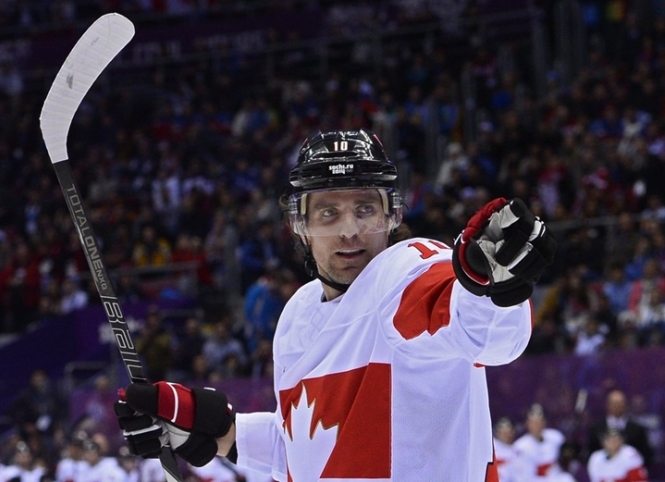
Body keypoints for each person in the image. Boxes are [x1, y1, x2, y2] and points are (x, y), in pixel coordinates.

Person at [114, 129, 556, 481]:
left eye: (366, 208)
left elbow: (488, 338)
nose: (350, 230)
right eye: (328, 212)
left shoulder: (406, 274)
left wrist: (487, 283)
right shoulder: (295, 319)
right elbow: (306, 454)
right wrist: (213, 428)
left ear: (392, 216)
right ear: (299, 225)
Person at [587, 389, 654, 469]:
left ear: (626, 405)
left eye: (620, 403)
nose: (617, 406)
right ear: (607, 405)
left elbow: (646, 456)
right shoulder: (596, 429)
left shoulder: (637, 429)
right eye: (614, 403)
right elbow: (591, 454)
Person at [512, 403, 566, 480]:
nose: (537, 425)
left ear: (544, 422)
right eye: (533, 422)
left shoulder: (556, 437)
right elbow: (522, 478)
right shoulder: (520, 447)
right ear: (527, 424)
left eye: (539, 421)